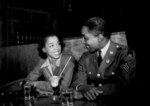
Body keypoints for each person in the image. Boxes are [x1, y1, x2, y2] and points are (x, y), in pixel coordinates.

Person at [72, 17, 136, 101]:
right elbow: (77, 80)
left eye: (86, 38)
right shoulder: (86, 57)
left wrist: (92, 92)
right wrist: (82, 87)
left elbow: (122, 84)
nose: (83, 41)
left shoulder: (125, 54)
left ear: (100, 38)